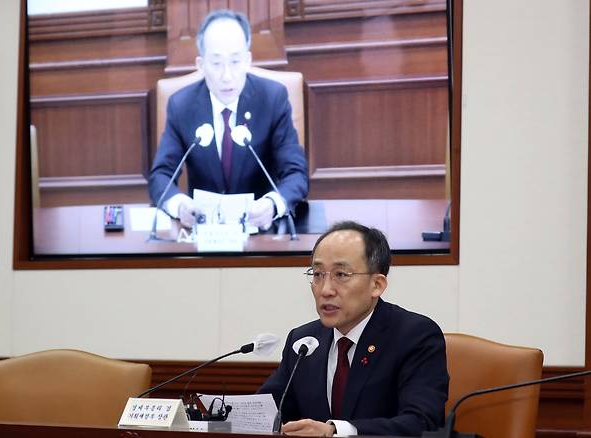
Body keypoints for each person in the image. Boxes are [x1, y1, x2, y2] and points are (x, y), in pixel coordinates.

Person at [258, 221, 449, 436]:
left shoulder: (415, 336)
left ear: (377, 285)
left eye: (341, 275)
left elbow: (422, 423)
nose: (326, 290)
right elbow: (267, 412)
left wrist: (336, 431)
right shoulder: (304, 341)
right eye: (318, 275)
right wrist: (221, 418)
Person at [148, 10, 309, 230]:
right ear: (200, 64)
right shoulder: (181, 106)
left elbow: (296, 173)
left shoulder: (273, 99)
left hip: (262, 233)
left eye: (235, 61)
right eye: (216, 63)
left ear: (248, 60)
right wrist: (178, 204)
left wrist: (272, 205)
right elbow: (161, 175)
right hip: (204, 234)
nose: (227, 75)